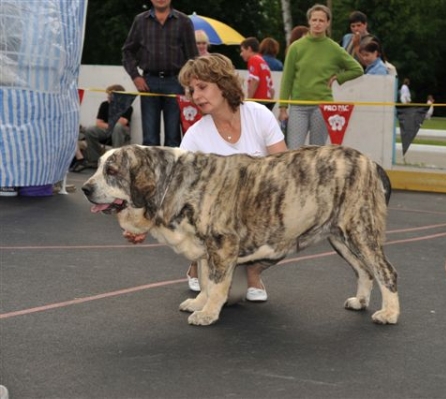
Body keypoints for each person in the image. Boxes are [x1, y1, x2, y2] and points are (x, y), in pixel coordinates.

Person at [178, 53, 287, 300]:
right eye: (192, 90)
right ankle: (197, 262)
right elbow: (180, 193)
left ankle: (253, 273)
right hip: (216, 224)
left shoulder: (259, 115)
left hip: (256, 213)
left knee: (290, 220)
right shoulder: (194, 136)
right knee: (232, 297)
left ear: (224, 84)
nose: (196, 96)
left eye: (202, 87)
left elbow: (284, 169)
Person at [278, 4, 363, 149]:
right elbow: (287, 78)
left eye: (321, 21)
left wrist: (338, 77)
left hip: (323, 107)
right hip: (299, 106)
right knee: (293, 150)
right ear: (309, 21)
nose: (317, 24)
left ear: (328, 23)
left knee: (317, 152)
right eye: (314, 20)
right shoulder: (296, 47)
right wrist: (283, 107)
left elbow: (358, 69)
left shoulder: (334, 48)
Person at [122, 0, 198, 147]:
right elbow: (127, 51)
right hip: (149, 82)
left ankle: (172, 170)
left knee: (174, 137)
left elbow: (193, 57)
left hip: (176, 82)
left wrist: (190, 84)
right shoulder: (140, 21)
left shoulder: (184, 21)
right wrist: (135, 76)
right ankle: (150, 170)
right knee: (149, 138)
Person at [71, 84, 133, 172]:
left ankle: (116, 159)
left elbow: (123, 122)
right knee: (90, 130)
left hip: (121, 132)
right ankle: (94, 159)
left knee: (118, 127)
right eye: (108, 94)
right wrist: (111, 125)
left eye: (110, 95)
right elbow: (99, 123)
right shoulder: (104, 105)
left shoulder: (127, 106)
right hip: (106, 130)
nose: (108, 96)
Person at [240, 37, 275, 110]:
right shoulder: (262, 61)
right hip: (267, 102)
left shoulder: (253, 59)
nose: (241, 54)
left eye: (242, 50)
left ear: (249, 49)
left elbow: (255, 80)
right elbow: (272, 89)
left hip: (258, 102)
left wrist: (248, 100)